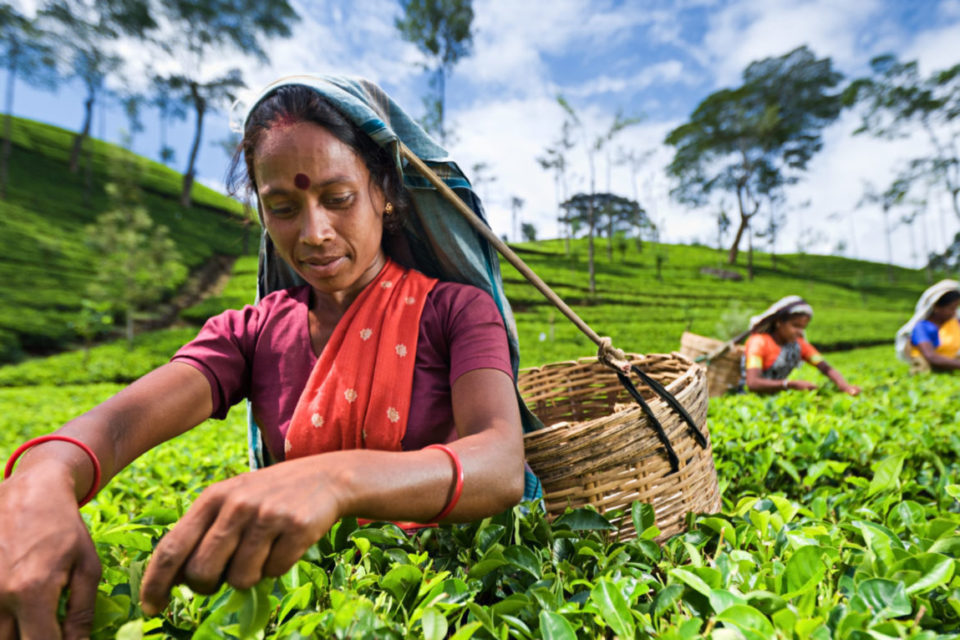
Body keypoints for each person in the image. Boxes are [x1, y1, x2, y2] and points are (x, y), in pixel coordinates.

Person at [0, 76, 533, 638]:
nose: (314, 232)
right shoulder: (253, 332)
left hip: (443, 600)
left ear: (385, 192)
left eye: (338, 199)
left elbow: (499, 464)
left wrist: (336, 480)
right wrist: (43, 479)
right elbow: (118, 425)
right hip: (300, 607)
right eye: (282, 207)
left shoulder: (456, 311)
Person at [743, 295, 861, 395]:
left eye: (803, 327)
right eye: (795, 326)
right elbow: (753, 383)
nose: (800, 332)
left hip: (774, 396)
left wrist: (845, 387)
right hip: (748, 397)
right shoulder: (758, 342)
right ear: (779, 322)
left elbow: (825, 367)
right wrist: (790, 384)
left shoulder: (799, 345)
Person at [895, 279, 960, 372]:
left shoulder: (954, 323)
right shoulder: (922, 327)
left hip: (953, 365)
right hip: (928, 369)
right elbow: (930, 356)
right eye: (951, 308)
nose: (954, 312)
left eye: (956, 308)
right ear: (936, 307)